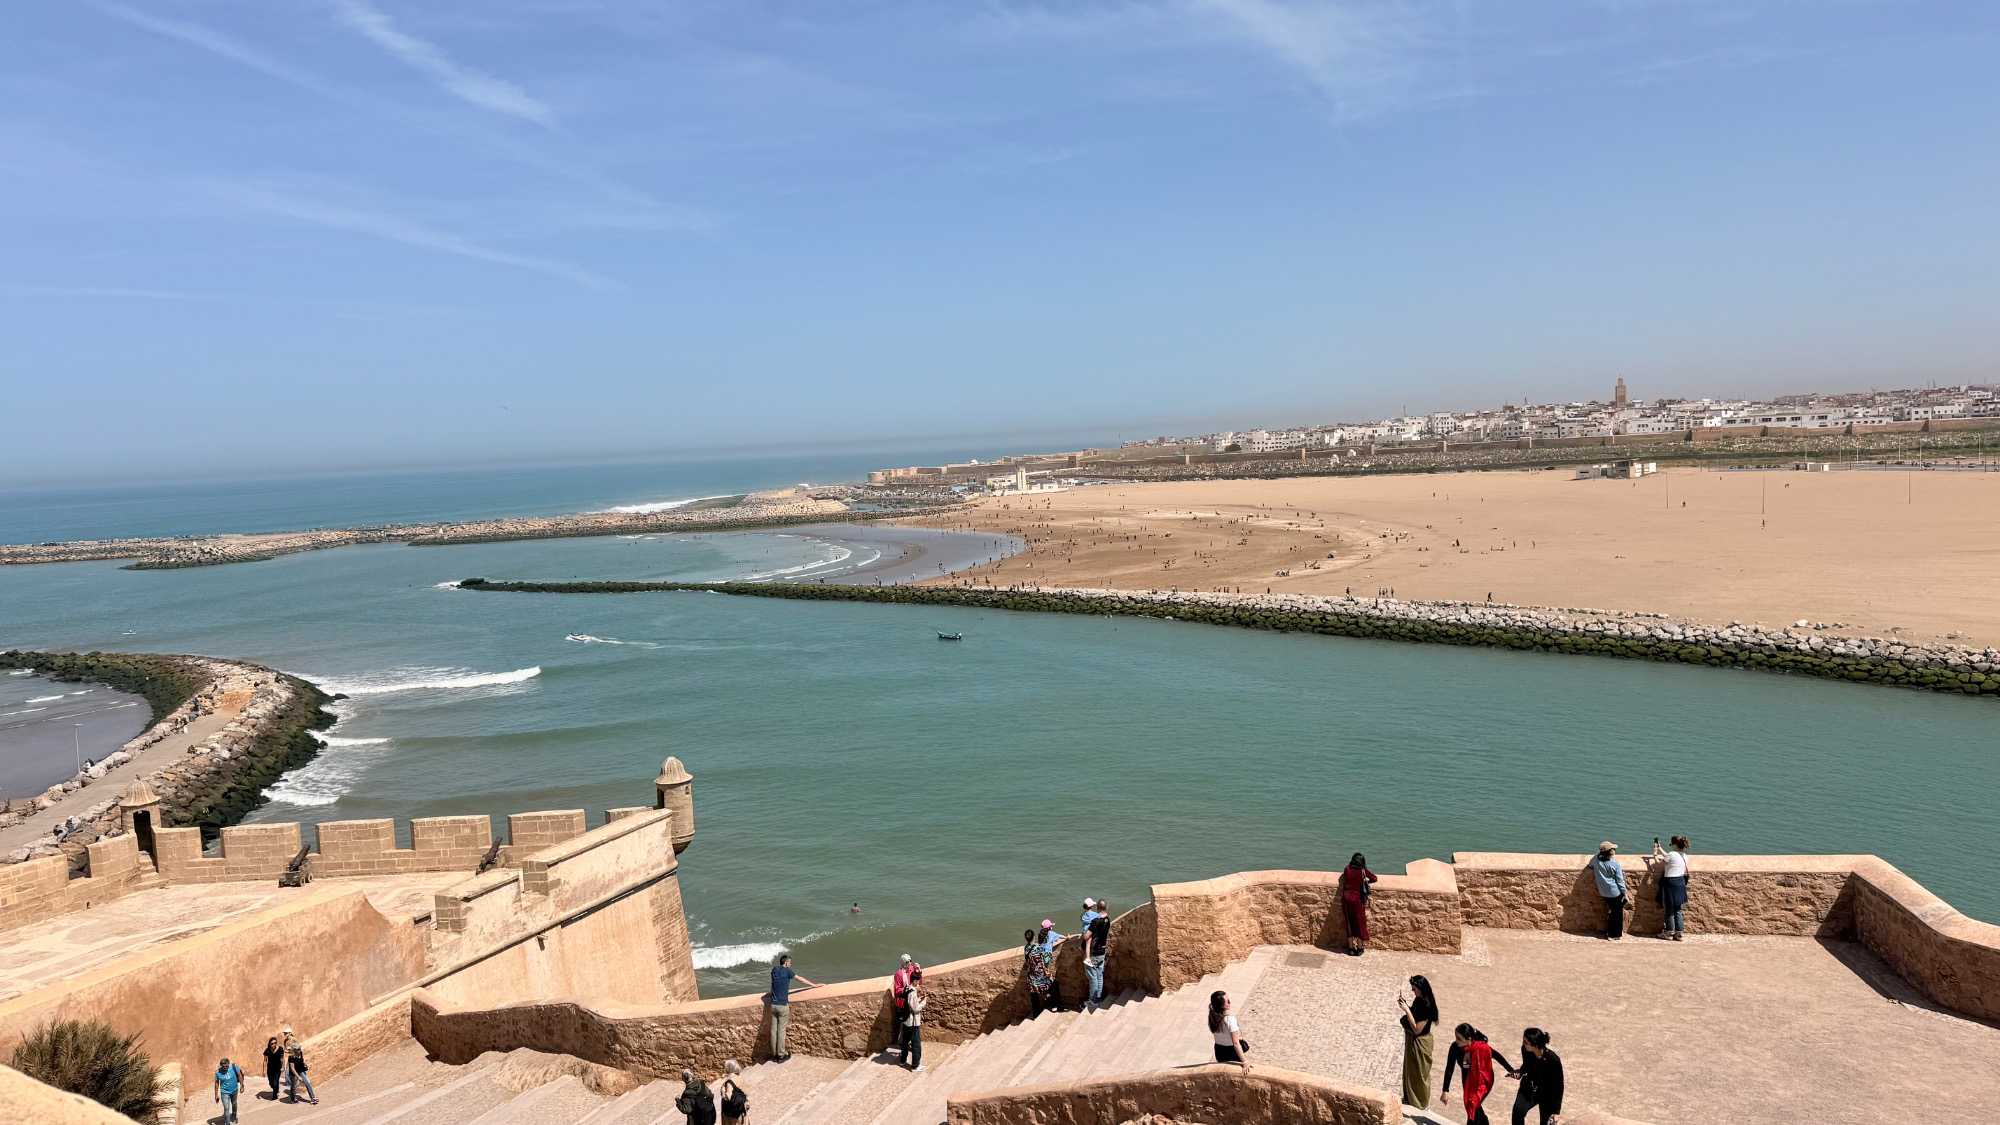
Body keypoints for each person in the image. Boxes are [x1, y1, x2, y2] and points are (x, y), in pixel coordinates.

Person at [1442, 1024, 1511, 1125]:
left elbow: (1497, 1056)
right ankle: (1484, 1122)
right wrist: (1445, 1090)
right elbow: (1449, 1068)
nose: (1456, 1041)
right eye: (1455, 1037)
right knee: (1473, 1106)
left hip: (1483, 1081)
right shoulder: (1455, 1047)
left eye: (1459, 1038)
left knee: (1473, 1106)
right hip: (1467, 1080)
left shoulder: (1481, 1047)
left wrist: (1510, 1070)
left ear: (1469, 1039)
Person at [1507, 1028, 1564, 1125]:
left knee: (1546, 1122)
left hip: (1546, 1093)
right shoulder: (1525, 1050)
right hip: (1528, 1088)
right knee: (1518, 1112)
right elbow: (1527, 1065)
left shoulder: (1553, 1060)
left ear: (1535, 1045)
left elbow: (1558, 1086)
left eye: (1526, 1042)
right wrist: (1520, 1072)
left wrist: (1556, 1111)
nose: (1523, 1044)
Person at [766, 953, 817, 1062]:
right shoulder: (787, 971)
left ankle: (774, 1054)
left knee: (774, 1030)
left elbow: (773, 984)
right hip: (782, 1005)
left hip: (773, 1005)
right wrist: (814, 985)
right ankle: (781, 1055)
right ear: (786, 962)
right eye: (790, 962)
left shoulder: (774, 970)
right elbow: (800, 979)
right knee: (781, 1031)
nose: (790, 964)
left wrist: (771, 993)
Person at [1397, 976, 1438, 1108]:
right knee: (1410, 1071)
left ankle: (1419, 1103)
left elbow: (1416, 1029)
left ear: (1421, 989)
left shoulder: (1427, 1005)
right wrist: (1407, 1006)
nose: (1413, 991)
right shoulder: (1419, 1000)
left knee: (1419, 1074)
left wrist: (1406, 1010)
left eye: (1414, 989)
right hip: (1412, 1041)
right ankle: (1410, 1099)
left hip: (1420, 1043)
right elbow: (1415, 1015)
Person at [1649, 836, 1691, 941]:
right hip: (1680, 882)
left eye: (1672, 844)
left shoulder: (1671, 854)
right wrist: (1660, 848)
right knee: (1678, 909)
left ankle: (1669, 932)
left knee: (1669, 909)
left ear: (1675, 845)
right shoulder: (1684, 856)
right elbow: (1668, 857)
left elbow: (1659, 863)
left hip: (1670, 883)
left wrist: (1655, 854)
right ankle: (1679, 933)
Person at [1339, 853, 1379, 955]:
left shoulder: (1347, 869)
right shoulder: (1362, 871)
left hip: (1346, 899)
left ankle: (1351, 948)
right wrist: (1365, 881)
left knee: (1349, 923)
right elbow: (1374, 878)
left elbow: (1345, 880)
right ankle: (1360, 947)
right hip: (1357, 900)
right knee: (1359, 923)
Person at [1589, 842, 1626, 940]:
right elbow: (1620, 881)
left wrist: (1599, 853)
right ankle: (1614, 935)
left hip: (1603, 892)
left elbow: (1590, 865)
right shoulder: (1615, 864)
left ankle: (1610, 932)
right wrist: (1624, 893)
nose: (1615, 850)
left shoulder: (1596, 861)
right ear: (1610, 852)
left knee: (1611, 912)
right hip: (1614, 892)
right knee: (1617, 914)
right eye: (1613, 849)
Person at [1207, 990, 1250, 1068]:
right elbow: (1236, 1043)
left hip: (1219, 1051)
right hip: (1231, 1052)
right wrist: (1244, 1061)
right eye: (1228, 1001)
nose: (1230, 1002)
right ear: (1222, 1005)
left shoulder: (1213, 1017)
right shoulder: (1230, 1020)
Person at [1082, 899, 1112, 1008]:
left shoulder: (1095, 921)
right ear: (1106, 907)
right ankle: (1098, 998)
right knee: (1099, 976)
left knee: (1092, 978)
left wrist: (1084, 933)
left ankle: (1093, 1001)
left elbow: (1086, 937)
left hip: (1094, 952)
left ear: (1098, 908)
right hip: (1102, 951)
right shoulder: (1108, 920)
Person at [1023, 928, 1055, 1017]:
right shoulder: (1038, 948)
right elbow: (1044, 960)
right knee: (1052, 985)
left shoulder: (1026, 948)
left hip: (1032, 976)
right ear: (1034, 937)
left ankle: (1036, 1014)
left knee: (1034, 996)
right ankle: (1053, 1005)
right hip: (1041, 975)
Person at [281, 1028, 316, 1105]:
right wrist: (289, 1051)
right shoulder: (286, 1041)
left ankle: (313, 1098)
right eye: (284, 1033)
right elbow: (287, 1051)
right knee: (293, 1082)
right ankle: (293, 1098)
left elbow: (297, 1049)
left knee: (306, 1082)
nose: (285, 1035)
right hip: (292, 1060)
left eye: (286, 1033)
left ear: (290, 1033)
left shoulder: (294, 1040)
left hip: (297, 1062)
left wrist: (302, 1061)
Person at [901, 968, 927, 1072]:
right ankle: (915, 1066)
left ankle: (902, 1061)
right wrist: (923, 1002)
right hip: (913, 1023)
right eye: (918, 981)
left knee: (905, 1042)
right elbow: (915, 1008)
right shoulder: (913, 992)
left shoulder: (907, 988)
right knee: (916, 1044)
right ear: (915, 981)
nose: (919, 983)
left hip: (906, 1021)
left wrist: (918, 999)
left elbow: (910, 1003)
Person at [213, 1057, 244, 1124]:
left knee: (234, 1104)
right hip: (224, 1092)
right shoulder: (217, 1072)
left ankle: (234, 1116)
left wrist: (242, 1086)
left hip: (234, 1090)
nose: (225, 1068)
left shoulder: (234, 1067)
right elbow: (216, 1083)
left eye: (226, 1066)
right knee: (226, 1108)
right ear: (221, 1066)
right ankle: (227, 1123)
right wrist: (216, 1095)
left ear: (228, 1064)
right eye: (223, 1066)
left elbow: (239, 1075)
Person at [718, 1059, 748, 1124]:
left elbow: (728, 1097)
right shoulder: (739, 1077)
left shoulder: (729, 1082)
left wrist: (722, 1091)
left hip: (732, 1115)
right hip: (741, 1109)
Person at [261, 1036, 284, 1101]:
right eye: (272, 1043)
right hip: (270, 1069)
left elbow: (282, 1059)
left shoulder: (280, 1049)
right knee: (271, 1083)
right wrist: (264, 1071)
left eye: (275, 1043)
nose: (274, 1044)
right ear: (269, 1044)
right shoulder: (267, 1050)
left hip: (278, 1069)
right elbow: (265, 1061)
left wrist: (283, 1067)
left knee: (275, 1082)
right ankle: (276, 1089)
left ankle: (274, 1096)